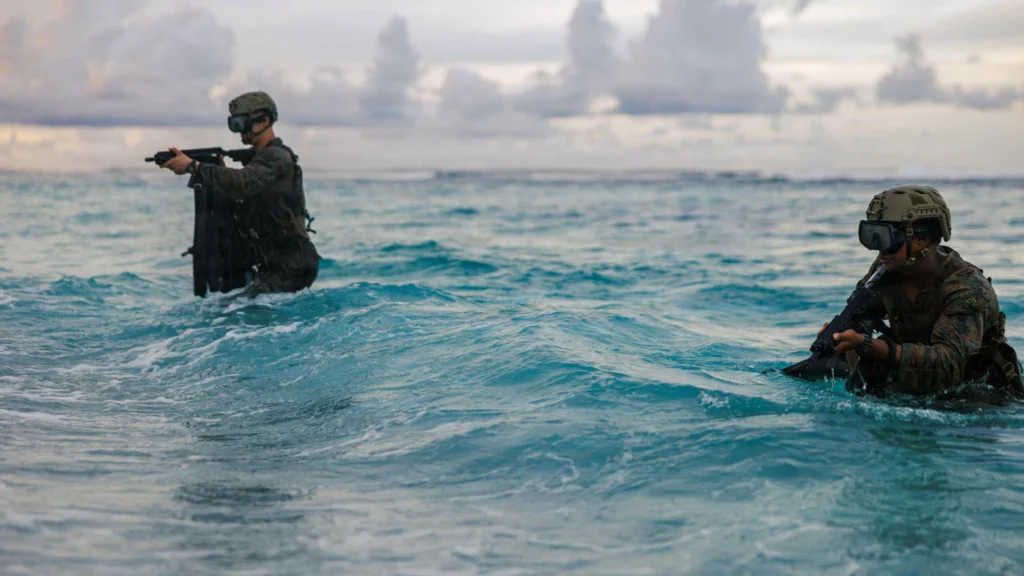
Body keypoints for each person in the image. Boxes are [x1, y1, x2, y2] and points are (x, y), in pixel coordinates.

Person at [823, 184, 1021, 399]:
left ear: (922, 240)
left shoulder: (967, 288)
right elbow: (861, 318)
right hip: (917, 387)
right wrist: (843, 341)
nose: (880, 250)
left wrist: (872, 347)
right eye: (874, 236)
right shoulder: (888, 268)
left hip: (979, 397)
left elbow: (949, 364)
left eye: (888, 238)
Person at [159, 91, 320, 296]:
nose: (239, 131)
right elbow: (242, 189)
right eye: (234, 124)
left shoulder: (276, 157)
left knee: (243, 313)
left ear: (264, 121)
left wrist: (194, 167)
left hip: (290, 264)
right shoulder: (259, 159)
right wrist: (216, 170)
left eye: (242, 123)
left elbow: (244, 182)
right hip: (273, 263)